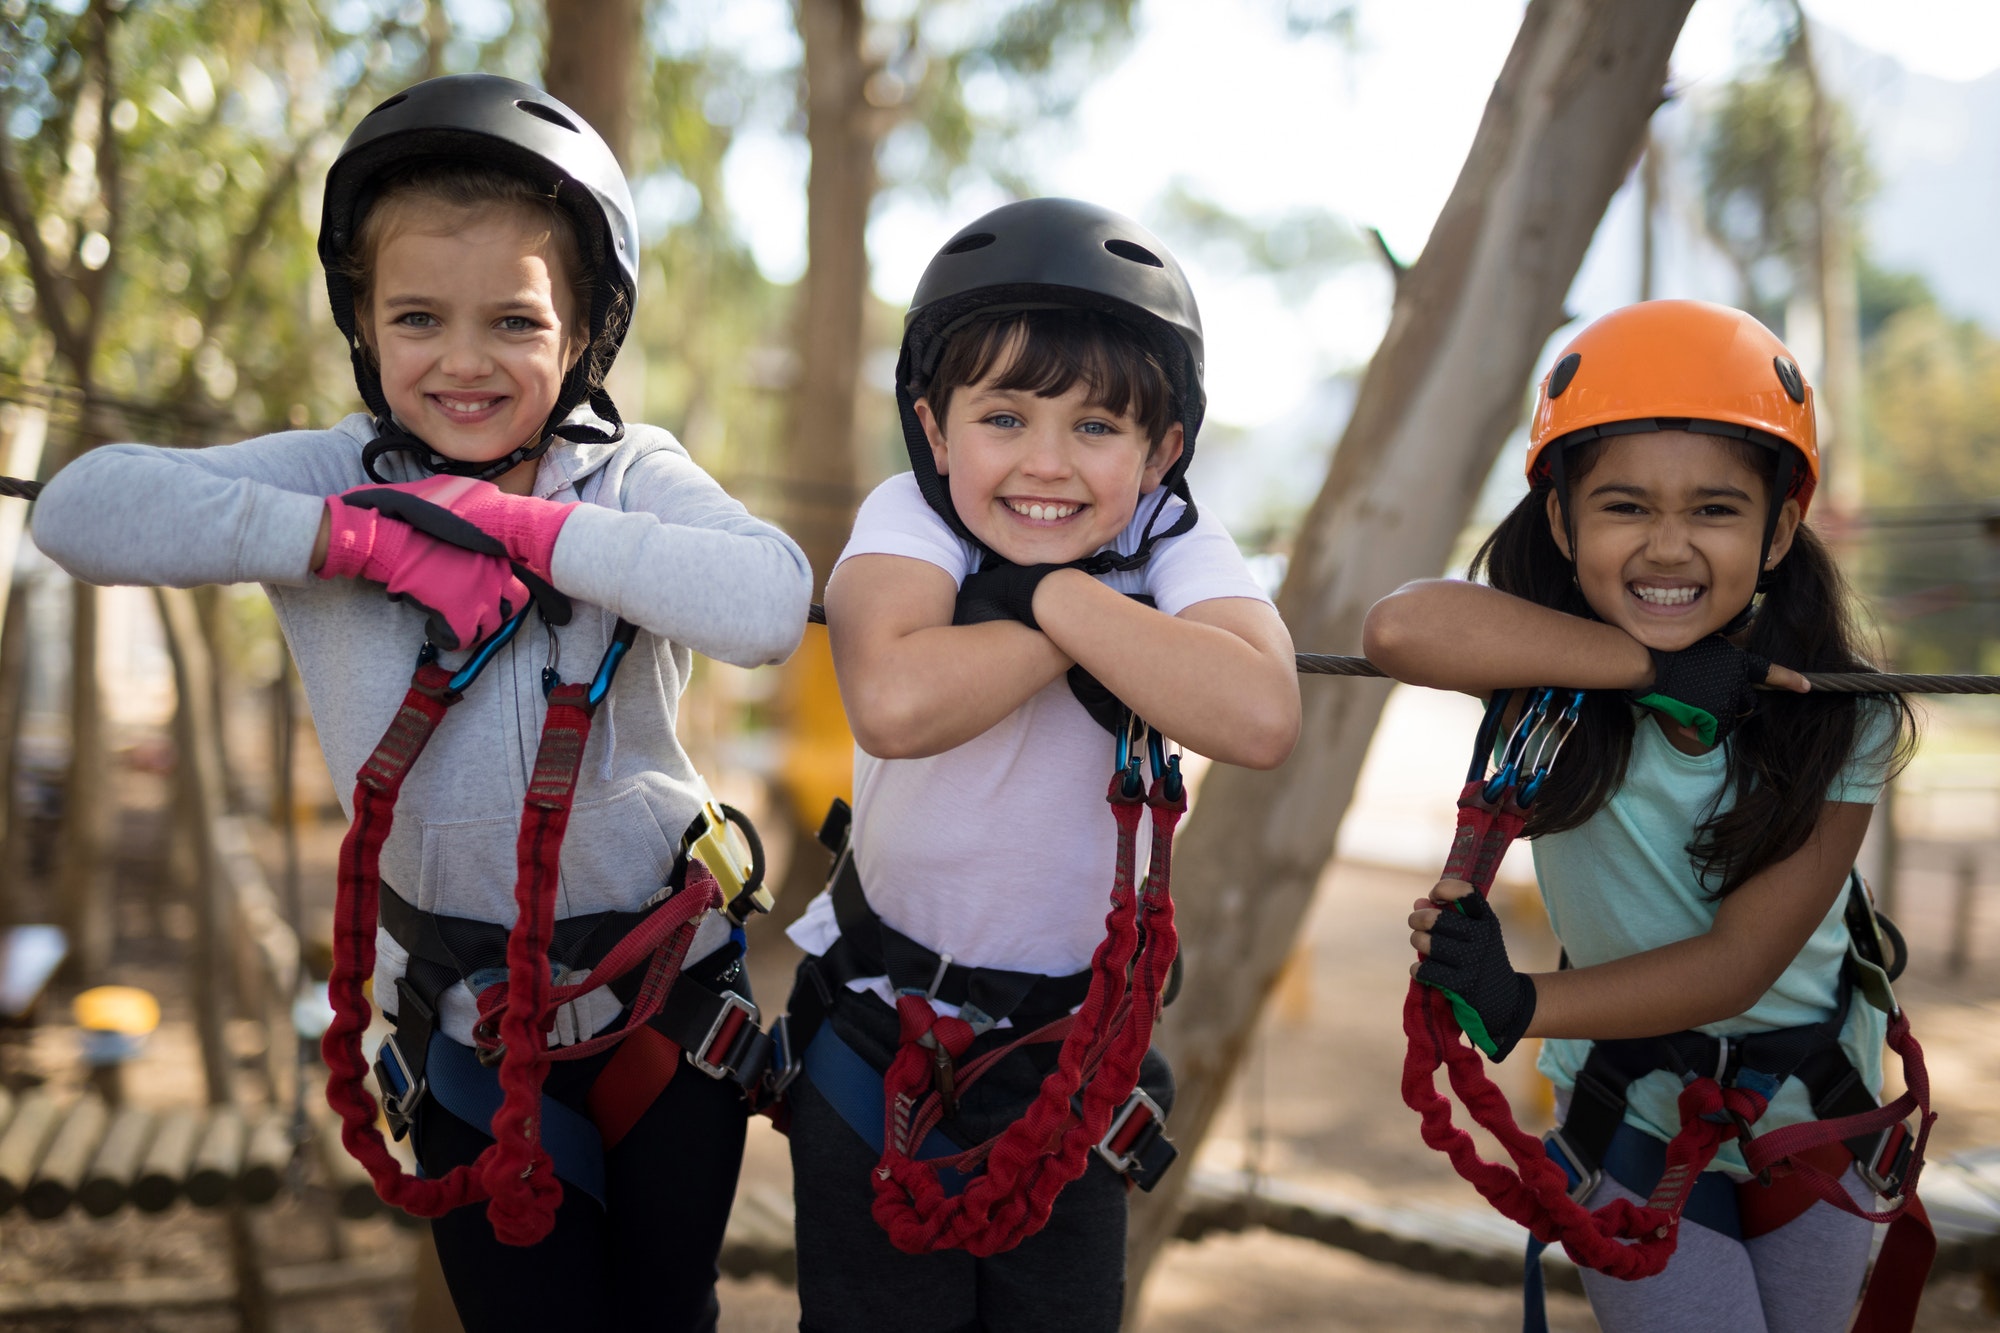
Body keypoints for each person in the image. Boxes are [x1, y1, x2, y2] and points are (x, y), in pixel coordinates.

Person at [31, 74, 811, 1332]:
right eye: (416, 318)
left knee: (672, 1312)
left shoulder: (626, 477)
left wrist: (519, 528)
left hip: (665, 1008)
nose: (462, 360)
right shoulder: (328, 474)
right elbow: (81, 509)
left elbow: (768, 602)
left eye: (513, 320)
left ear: (584, 333)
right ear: (363, 326)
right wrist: (358, 537)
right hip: (464, 1021)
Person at [780, 197, 1301, 1333]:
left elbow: (1260, 715)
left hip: (1071, 1061)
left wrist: (1050, 594)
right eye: (1004, 417)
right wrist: (1108, 625)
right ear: (934, 430)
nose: (1046, 465)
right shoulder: (912, 514)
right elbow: (895, 701)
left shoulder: (1169, 535)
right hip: (878, 1032)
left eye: (1097, 426)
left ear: (1162, 452)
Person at [1363, 300, 1920, 1333]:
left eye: (1714, 509)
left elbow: (1738, 964)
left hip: (1813, 1112)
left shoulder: (1841, 717)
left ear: (1778, 531)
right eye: (1623, 506)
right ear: (1562, 522)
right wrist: (1652, 668)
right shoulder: (1544, 681)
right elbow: (1399, 628)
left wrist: (1517, 1001)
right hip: (1623, 1111)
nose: (1668, 547)